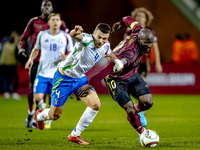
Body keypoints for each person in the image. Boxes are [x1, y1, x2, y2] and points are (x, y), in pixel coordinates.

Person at [35, 23, 124, 145]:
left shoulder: (106, 45)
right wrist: (74, 32)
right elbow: (75, 36)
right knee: (54, 115)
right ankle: (40, 116)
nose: (101, 40)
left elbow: (109, 53)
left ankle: (74, 135)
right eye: (99, 37)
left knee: (95, 105)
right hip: (63, 78)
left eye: (104, 38)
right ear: (94, 33)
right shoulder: (87, 40)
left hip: (79, 79)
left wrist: (116, 60)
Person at [77, 16, 154, 141]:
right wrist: (90, 84)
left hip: (132, 74)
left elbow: (128, 19)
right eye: (145, 43)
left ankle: (136, 110)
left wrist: (120, 23)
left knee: (148, 102)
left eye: (150, 43)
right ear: (139, 40)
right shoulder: (129, 54)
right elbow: (109, 68)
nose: (148, 46)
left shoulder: (139, 30)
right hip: (115, 79)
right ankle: (143, 134)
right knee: (129, 110)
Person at [18, 0, 68, 128]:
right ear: (40, 8)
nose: (46, 7)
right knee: (32, 89)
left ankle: (40, 116)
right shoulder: (34, 22)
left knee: (51, 91)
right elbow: (23, 38)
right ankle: (31, 112)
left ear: (52, 8)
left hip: (55, 62)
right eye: (44, 5)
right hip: (37, 61)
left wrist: (67, 56)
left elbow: (68, 37)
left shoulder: (59, 23)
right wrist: (21, 48)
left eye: (49, 5)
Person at [124, 7, 162, 80]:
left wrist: (158, 63)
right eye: (138, 16)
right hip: (131, 62)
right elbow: (124, 46)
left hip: (143, 62)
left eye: (142, 16)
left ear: (146, 19)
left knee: (141, 83)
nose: (140, 18)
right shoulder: (129, 30)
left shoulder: (150, 32)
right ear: (134, 18)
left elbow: (156, 48)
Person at [1, 31, 21, 100]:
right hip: (12, 64)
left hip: (4, 64)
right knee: (15, 78)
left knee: (7, 79)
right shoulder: (15, 45)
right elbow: (17, 55)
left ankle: (6, 92)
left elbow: (2, 54)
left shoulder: (5, 44)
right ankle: (14, 92)